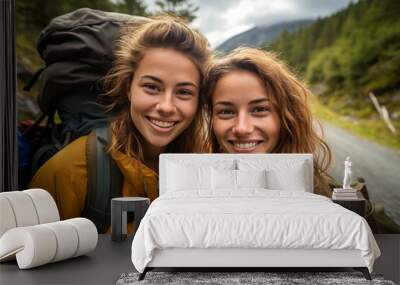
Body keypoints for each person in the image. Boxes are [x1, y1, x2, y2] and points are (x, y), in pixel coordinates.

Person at [29, 16, 211, 228]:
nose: (166, 106)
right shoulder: (69, 172)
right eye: (152, 87)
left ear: (199, 100)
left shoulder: (208, 170)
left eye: (184, 92)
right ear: (128, 88)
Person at [205, 47, 332, 196]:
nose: (242, 129)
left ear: (287, 116)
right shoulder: (198, 186)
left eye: (259, 109)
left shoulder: (320, 197)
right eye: (226, 111)